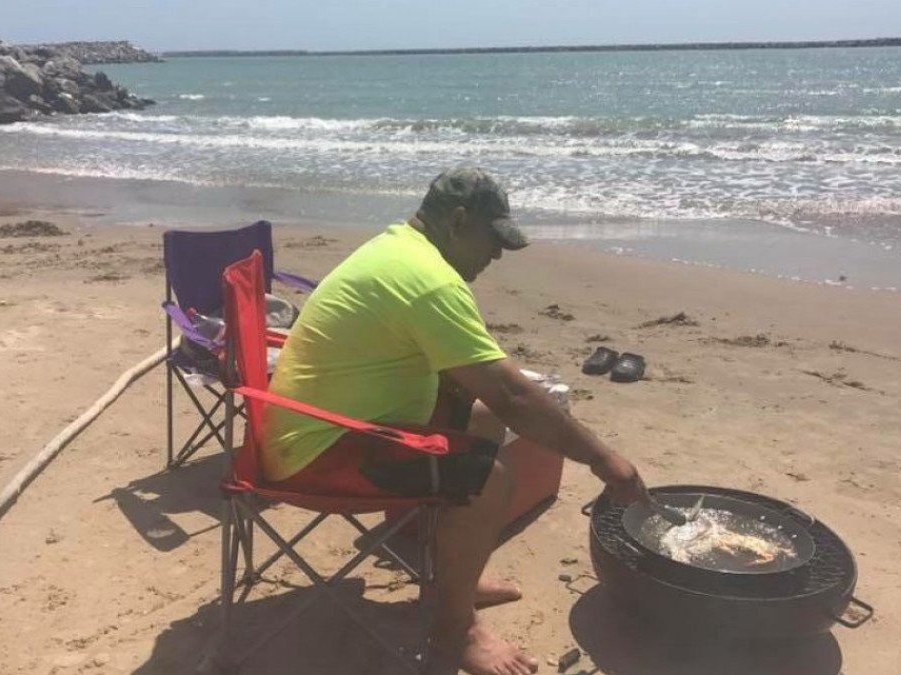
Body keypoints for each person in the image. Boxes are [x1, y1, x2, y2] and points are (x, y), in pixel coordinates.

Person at [263, 167, 648, 675]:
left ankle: (449, 585)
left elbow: (490, 392)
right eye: (493, 242)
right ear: (459, 220)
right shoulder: (427, 281)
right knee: (487, 477)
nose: (496, 256)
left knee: (481, 422)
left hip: (326, 423)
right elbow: (513, 394)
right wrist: (604, 460)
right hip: (320, 449)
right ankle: (454, 631)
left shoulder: (400, 248)